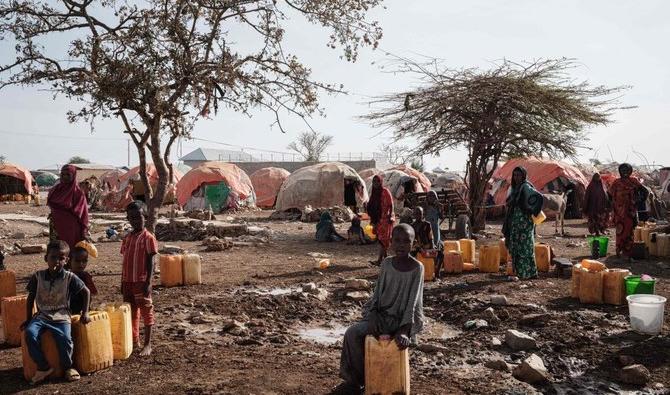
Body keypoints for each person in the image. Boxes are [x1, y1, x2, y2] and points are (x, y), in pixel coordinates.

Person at [336, 224, 424, 394]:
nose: (401, 245)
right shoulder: (386, 264)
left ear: (413, 244)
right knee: (352, 333)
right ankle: (356, 381)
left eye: (406, 242)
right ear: (390, 242)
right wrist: (374, 314)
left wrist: (404, 330)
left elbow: (413, 303)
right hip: (381, 316)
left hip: (401, 321)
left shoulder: (417, 268)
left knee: (398, 344)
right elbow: (377, 296)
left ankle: (380, 380)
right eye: (397, 241)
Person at [22, 240, 90, 384]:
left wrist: (86, 312)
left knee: (65, 338)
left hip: (61, 315)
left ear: (66, 260)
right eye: (53, 257)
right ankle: (43, 367)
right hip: (42, 315)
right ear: (46, 258)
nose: (57, 261)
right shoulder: (37, 276)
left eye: (61, 258)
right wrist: (28, 319)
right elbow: (30, 298)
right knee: (30, 333)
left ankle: (68, 367)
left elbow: (86, 292)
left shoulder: (70, 277)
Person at [121, 201, 158, 356]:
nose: (135, 221)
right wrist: (122, 281)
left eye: (138, 217)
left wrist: (148, 282)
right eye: (132, 218)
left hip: (141, 280)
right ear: (128, 219)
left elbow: (151, 260)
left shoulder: (148, 237)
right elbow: (125, 260)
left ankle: (148, 344)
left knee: (146, 311)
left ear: (145, 217)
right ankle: (134, 340)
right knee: (131, 312)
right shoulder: (127, 238)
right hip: (128, 280)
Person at [502, 167, 541, 280]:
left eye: (518, 175)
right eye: (514, 175)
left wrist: (530, 209)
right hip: (515, 221)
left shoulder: (525, 186)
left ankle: (529, 273)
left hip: (524, 222)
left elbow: (537, 197)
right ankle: (521, 272)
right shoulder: (515, 188)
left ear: (523, 176)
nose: (516, 177)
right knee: (517, 247)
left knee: (526, 247)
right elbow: (511, 200)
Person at [47, 165, 90, 255]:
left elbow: (83, 214)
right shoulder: (55, 190)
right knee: (56, 250)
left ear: (73, 175)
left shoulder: (78, 193)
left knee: (70, 250)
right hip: (56, 226)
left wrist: (84, 231)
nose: (65, 177)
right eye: (62, 174)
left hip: (71, 228)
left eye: (68, 174)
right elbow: (50, 203)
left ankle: (69, 267)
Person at [609, 163, 643, 260]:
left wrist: (638, 201)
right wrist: (612, 206)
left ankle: (628, 254)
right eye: (622, 170)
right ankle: (619, 251)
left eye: (627, 170)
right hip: (619, 213)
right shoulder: (616, 182)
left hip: (630, 212)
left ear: (630, 171)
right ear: (619, 171)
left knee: (629, 232)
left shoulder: (634, 181)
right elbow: (609, 194)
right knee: (620, 232)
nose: (624, 172)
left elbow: (644, 191)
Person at [366, 175, 395, 265]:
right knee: (381, 240)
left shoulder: (385, 191)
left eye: (377, 181)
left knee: (383, 240)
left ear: (380, 182)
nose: (375, 183)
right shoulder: (374, 193)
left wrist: (390, 216)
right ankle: (385, 259)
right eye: (374, 181)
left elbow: (391, 204)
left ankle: (379, 260)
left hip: (386, 219)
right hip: (378, 219)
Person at [69, 246, 97, 315]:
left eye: (84, 261)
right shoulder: (66, 276)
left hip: (83, 311)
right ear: (69, 261)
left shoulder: (86, 276)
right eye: (77, 261)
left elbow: (90, 294)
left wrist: (85, 311)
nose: (81, 264)